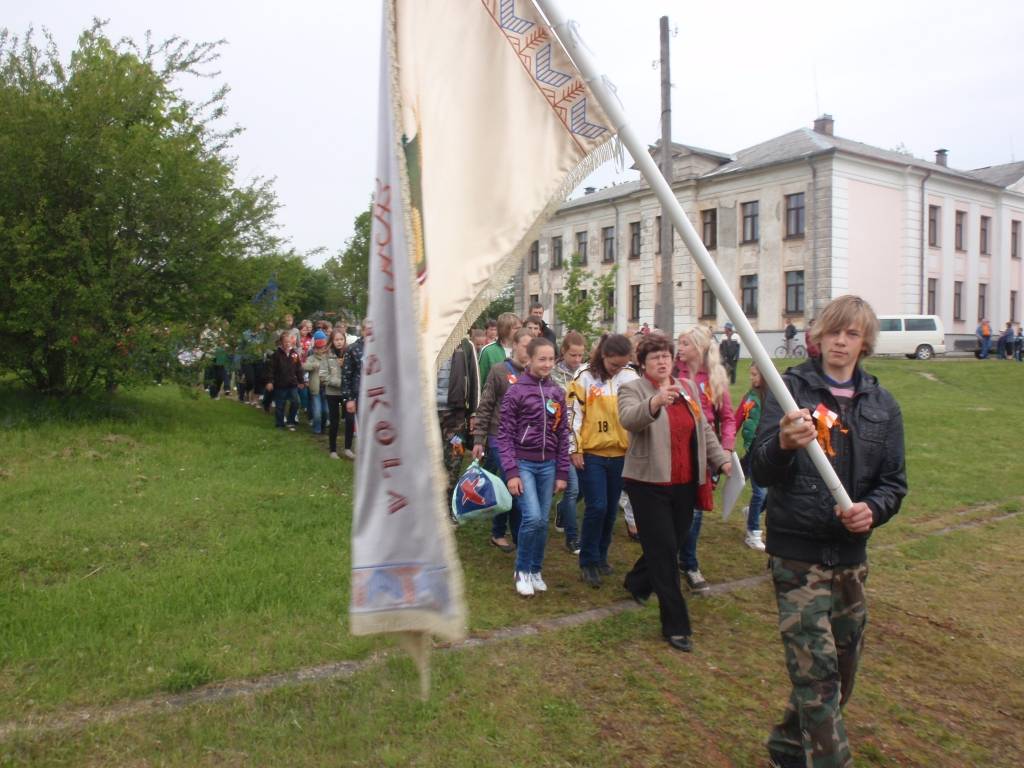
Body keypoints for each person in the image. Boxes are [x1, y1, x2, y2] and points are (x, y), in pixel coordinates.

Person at [751, 295, 906, 768]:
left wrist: (872, 511)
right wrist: (780, 444)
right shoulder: (787, 389)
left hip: (851, 556)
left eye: (851, 333)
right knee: (816, 676)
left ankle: (785, 747)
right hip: (797, 557)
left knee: (841, 670)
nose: (841, 340)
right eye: (833, 331)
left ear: (865, 343)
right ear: (817, 336)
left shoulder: (882, 404)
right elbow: (757, 469)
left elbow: (893, 483)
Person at [618, 333, 731, 652]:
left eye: (666, 355)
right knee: (666, 552)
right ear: (642, 364)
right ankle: (676, 625)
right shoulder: (632, 389)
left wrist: (720, 459)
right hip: (647, 483)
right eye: (654, 357)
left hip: (684, 481)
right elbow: (629, 419)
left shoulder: (689, 388)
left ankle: (637, 581)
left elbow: (704, 429)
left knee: (672, 542)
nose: (662, 361)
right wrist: (655, 402)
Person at [496, 336, 569, 597]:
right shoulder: (516, 391)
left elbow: (563, 434)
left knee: (542, 522)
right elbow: (504, 435)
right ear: (529, 358)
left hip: (548, 466)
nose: (547, 364)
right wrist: (512, 472)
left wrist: (562, 471)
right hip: (523, 463)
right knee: (532, 517)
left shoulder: (557, 393)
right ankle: (522, 569)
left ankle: (536, 569)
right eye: (542, 359)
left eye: (551, 359)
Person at [567, 333, 638, 587]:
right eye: (613, 365)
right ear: (603, 356)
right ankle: (587, 561)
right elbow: (573, 415)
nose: (618, 369)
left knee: (610, 511)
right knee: (596, 506)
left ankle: (601, 557)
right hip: (592, 454)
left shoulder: (630, 377)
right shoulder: (584, 376)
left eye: (622, 364)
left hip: (620, 455)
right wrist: (575, 448)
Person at [672, 325, 736, 593]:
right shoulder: (674, 374)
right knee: (675, 508)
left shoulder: (715, 378)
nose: (680, 348)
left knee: (696, 511)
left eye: (685, 343)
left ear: (698, 347)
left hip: (705, 453)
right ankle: (669, 557)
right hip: (676, 450)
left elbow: (728, 418)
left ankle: (689, 563)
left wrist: (726, 449)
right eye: (679, 343)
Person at [472, 328, 533, 552]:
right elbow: (486, 404)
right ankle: (501, 533)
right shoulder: (499, 371)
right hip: (499, 436)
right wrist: (479, 438)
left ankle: (514, 533)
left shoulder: (534, 374)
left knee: (518, 487)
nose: (529, 350)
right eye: (525, 345)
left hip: (524, 439)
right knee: (512, 483)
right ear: (515, 345)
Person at [551, 330, 588, 554]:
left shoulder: (587, 373)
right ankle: (572, 539)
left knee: (582, 489)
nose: (577, 360)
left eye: (580, 355)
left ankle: (563, 511)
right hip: (561, 438)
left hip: (584, 438)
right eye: (573, 355)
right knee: (573, 489)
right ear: (563, 352)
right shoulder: (553, 374)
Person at [437, 335, 481, 512]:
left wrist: (474, 413)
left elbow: (475, 379)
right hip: (426, 414)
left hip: (455, 416)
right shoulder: (425, 340)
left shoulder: (465, 344)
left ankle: (448, 507)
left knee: (455, 458)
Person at [735, 363, 767, 551]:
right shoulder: (750, 398)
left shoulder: (777, 397)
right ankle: (753, 532)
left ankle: (751, 513)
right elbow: (739, 417)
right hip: (753, 450)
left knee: (768, 494)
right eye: (751, 374)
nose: (752, 378)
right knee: (760, 492)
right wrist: (727, 439)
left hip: (769, 450)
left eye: (755, 374)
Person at [340, 319, 368, 459]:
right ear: (363, 331)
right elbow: (346, 375)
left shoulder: (382, 348)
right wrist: (349, 399)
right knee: (362, 426)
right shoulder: (353, 349)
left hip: (378, 395)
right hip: (359, 393)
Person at [266, 331, 302, 431]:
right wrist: (270, 381)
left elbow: (298, 368)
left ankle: (291, 421)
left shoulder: (294, 354)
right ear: (281, 342)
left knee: (296, 402)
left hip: (292, 384)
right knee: (280, 405)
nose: (287, 344)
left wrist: (301, 381)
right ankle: (280, 424)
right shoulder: (276, 355)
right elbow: (271, 370)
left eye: (289, 341)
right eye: (285, 342)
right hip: (280, 384)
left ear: (292, 342)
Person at [478, 312, 521, 387]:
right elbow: (480, 382)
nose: (520, 331)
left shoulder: (525, 349)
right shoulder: (488, 351)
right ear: (505, 329)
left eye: (521, 328)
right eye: (516, 328)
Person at [324, 330, 347, 459]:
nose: (339, 342)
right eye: (336, 340)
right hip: (332, 392)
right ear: (332, 341)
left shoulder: (348, 354)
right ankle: (333, 449)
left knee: (349, 420)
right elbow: (323, 376)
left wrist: (344, 366)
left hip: (346, 392)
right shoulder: (327, 355)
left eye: (341, 339)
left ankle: (348, 447)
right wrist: (339, 383)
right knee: (334, 421)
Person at [302, 330, 330, 434]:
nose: (320, 350)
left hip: (326, 389)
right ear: (314, 349)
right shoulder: (311, 358)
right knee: (317, 411)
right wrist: (314, 366)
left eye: (322, 348)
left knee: (326, 411)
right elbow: (304, 366)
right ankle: (317, 429)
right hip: (315, 389)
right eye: (318, 348)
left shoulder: (328, 358)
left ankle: (323, 427)